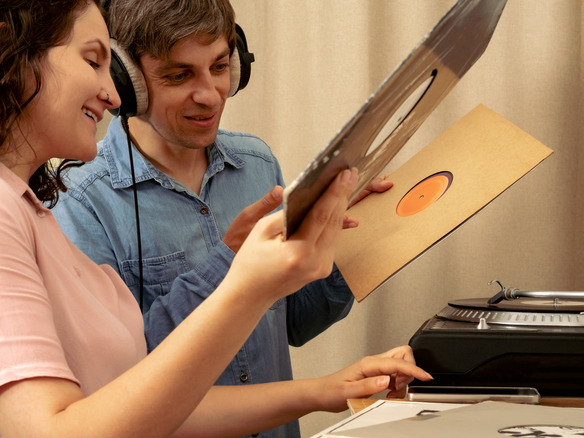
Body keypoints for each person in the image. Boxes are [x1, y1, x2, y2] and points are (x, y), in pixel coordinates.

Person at [0, 1, 430, 437]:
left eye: (220, 66)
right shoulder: (66, 204)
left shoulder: (256, 164)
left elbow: (167, 397)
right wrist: (235, 274)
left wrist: (326, 387)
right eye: (178, 75)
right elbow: (122, 389)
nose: (209, 94)